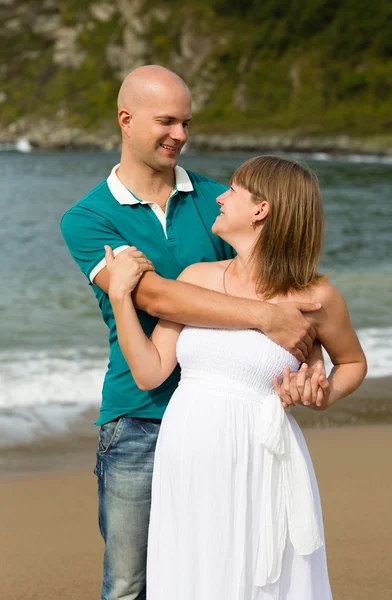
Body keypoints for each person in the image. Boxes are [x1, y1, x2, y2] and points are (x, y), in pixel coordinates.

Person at [61, 65, 326, 600]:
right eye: (167, 121)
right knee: (131, 583)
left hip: (226, 422)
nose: (180, 134)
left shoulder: (219, 201)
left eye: (185, 121)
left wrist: (310, 351)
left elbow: (273, 283)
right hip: (138, 415)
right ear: (126, 120)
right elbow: (152, 296)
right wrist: (264, 319)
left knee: (224, 571)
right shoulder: (85, 218)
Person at [105, 155, 367, 600]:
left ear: (261, 209)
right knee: (193, 574)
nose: (220, 198)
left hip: (258, 458)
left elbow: (353, 364)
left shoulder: (317, 297)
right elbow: (150, 372)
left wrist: (323, 396)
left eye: (233, 190)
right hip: (186, 456)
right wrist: (119, 296)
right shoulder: (197, 278)